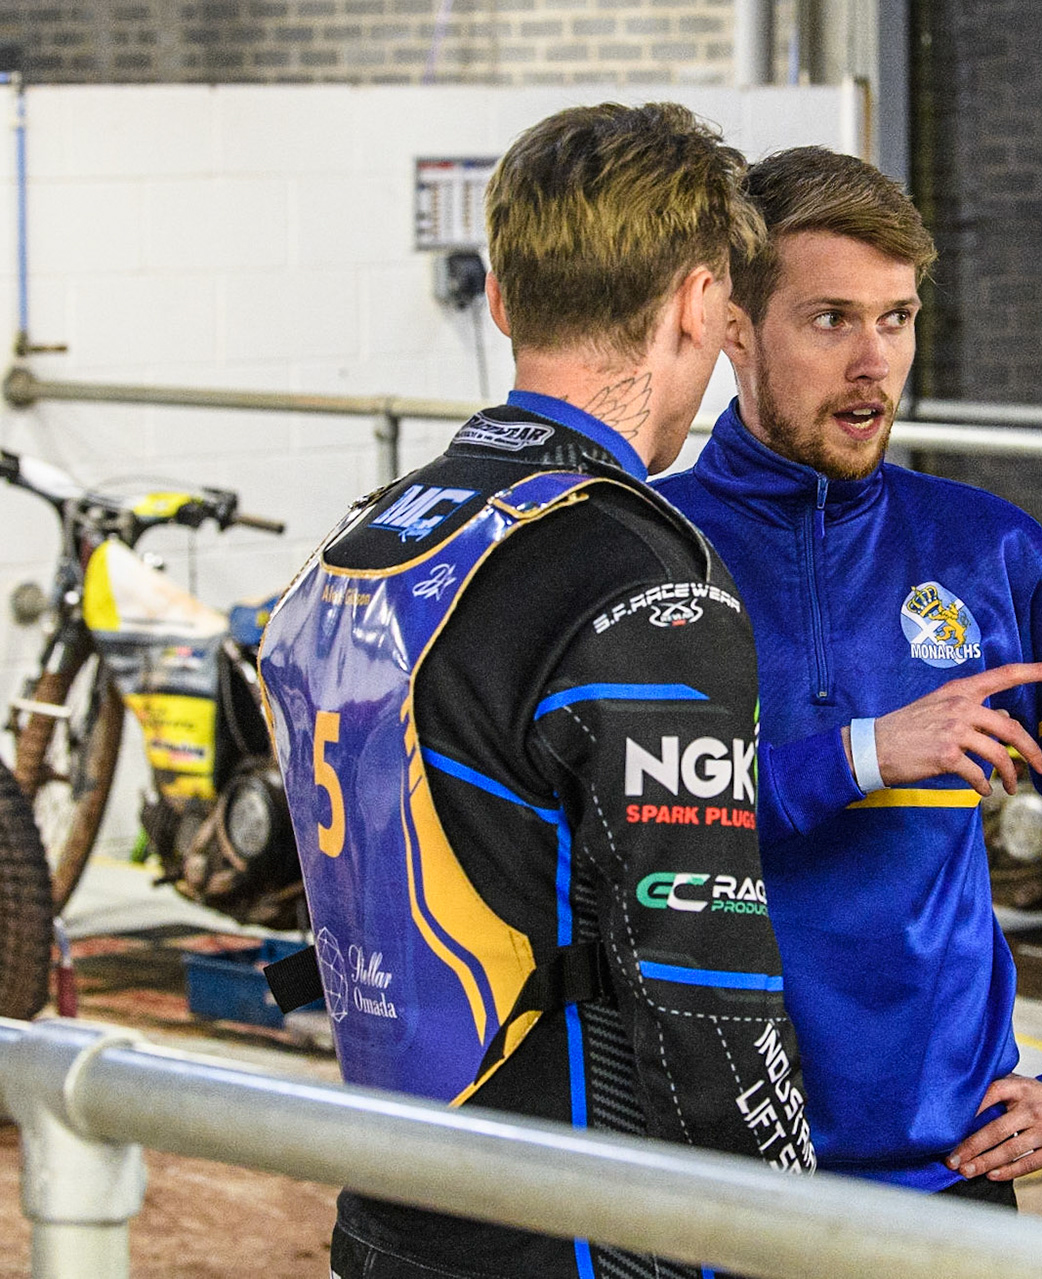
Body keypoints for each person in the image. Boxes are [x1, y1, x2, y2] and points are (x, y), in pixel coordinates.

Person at [257, 103, 812, 1279]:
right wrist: (788, 1225)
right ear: (695, 303)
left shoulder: (370, 537)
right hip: (571, 1230)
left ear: (503, 299)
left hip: (389, 1201)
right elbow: (705, 976)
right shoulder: (638, 574)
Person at [655, 147, 1042, 1205]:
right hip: (703, 1176)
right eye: (831, 318)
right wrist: (854, 756)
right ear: (734, 330)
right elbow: (611, 835)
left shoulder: (990, 551)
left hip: (947, 1175)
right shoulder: (652, 553)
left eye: (896, 318)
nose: (874, 362)